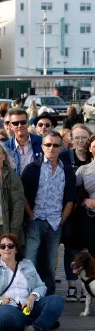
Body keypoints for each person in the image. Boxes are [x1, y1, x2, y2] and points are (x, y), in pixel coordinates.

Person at [0, 234, 64, 331]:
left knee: (57, 300)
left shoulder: (28, 264)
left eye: (10, 246)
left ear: (16, 249)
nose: (6, 249)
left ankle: (36, 327)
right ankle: (43, 323)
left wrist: (32, 297)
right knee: (7, 315)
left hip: (28, 307)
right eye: (2, 246)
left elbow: (41, 286)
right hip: (4, 309)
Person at [21, 131, 75, 296]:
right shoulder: (32, 169)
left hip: (55, 223)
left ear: (61, 148)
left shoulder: (67, 170)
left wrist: (61, 220)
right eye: (48, 144)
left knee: (51, 264)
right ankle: (26, 296)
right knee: (30, 261)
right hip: (34, 221)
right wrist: (30, 216)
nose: (51, 148)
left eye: (56, 145)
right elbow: (22, 195)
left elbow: (70, 199)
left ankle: (48, 296)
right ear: (42, 146)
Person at [63, 124, 92, 301]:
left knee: (88, 249)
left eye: (84, 137)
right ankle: (71, 286)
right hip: (72, 210)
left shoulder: (92, 157)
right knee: (71, 249)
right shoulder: (65, 157)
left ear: (89, 139)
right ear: (71, 140)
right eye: (77, 137)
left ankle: (87, 286)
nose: (80, 141)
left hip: (90, 212)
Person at [4, 108, 43, 175]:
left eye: (23, 122)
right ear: (10, 126)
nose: (20, 126)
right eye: (15, 123)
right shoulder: (5, 147)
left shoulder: (41, 141)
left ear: (28, 123)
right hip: (16, 184)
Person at [75, 134, 95, 261]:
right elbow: (74, 192)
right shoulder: (83, 170)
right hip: (91, 218)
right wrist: (84, 201)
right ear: (90, 149)